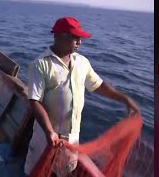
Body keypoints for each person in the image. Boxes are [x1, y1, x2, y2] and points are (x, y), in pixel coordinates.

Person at [24, 16, 140, 176]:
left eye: (80, 38)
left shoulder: (82, 62)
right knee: (37, 171)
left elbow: (98, 85)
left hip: (72, 139)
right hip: (45, 137)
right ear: (60, 36)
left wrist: (124, 98)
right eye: (75, 38)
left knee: (64, 172)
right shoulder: (40, 64)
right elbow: (34, 101)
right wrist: (49, 131)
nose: (80, 42)